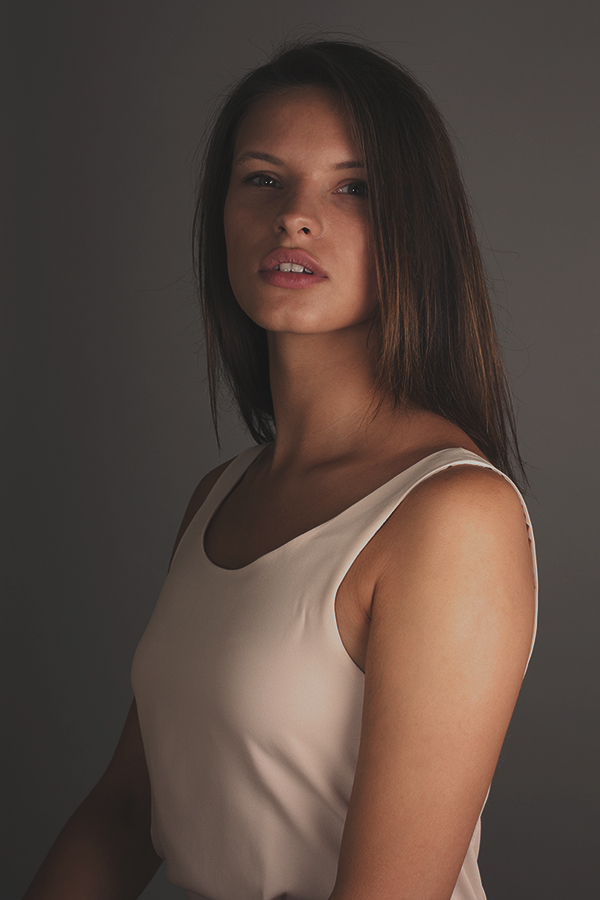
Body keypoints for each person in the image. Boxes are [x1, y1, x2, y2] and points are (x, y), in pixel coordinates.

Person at [24, 38, 537, 900]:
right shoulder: (219, 498)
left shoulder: (455, 516)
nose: (295, 216)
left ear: (417, 227)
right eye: (263, 178)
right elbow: (128, 808)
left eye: (354, 188)